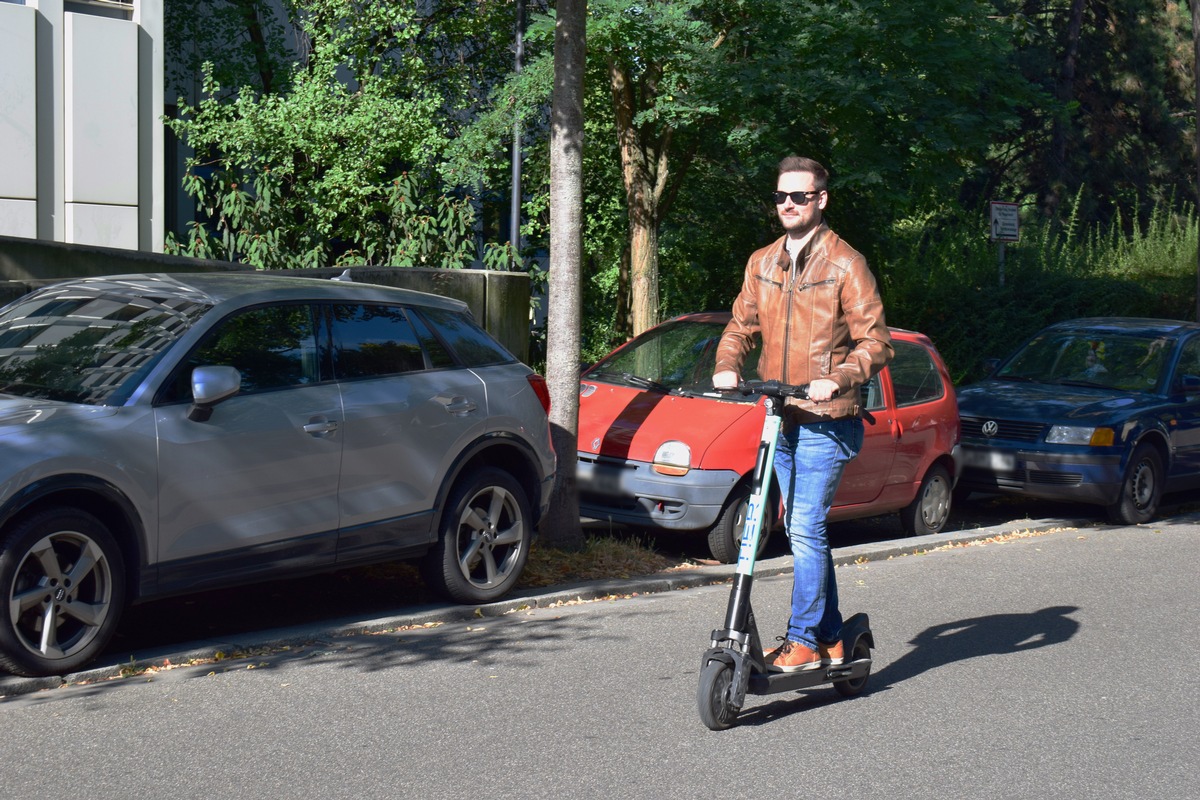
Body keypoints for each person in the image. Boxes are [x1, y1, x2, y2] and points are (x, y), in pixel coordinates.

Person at [713, 156, 893, 673]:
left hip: (827, 417)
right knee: (800, 528)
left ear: (821, 200)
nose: (788, 204)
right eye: (780, 197)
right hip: (780, 415)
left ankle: (804, 639)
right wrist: (728, 364)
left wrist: (836, 377)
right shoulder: (762, 262)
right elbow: (739, 326)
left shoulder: (845, 265)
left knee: (807, 527)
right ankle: (833, 636)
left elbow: (875, 342)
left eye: (800, 196)